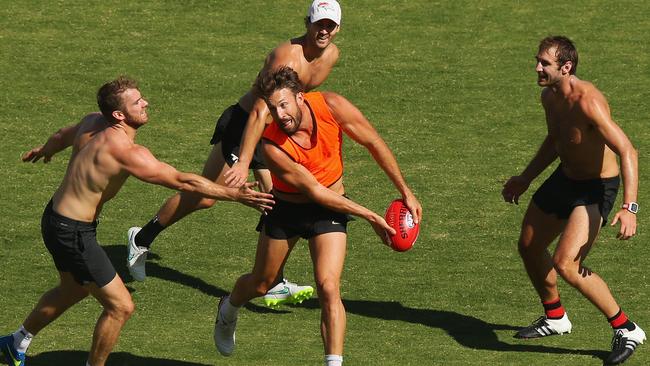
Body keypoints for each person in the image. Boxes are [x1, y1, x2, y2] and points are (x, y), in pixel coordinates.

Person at [0, 76, 274, 366]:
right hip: (74, 233)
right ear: (119, 115)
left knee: (72, 289)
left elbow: (59, 136)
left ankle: (16, 342)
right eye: (137, 102)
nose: (146, 103)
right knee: (120, 307)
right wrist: (234, 194)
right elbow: (184, 181)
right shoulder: (126, 152)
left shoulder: (91, 122)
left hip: (55, 219)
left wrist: (46, 150)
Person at [126, 0, 344, 307]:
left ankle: (141, 238)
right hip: (244, 128)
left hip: (271, 131)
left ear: (337, 28)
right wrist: (243, 161)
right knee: (275, 201)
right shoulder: (287, 57)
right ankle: (274, 280)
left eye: (329, 26)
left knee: (205, 196)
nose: (323, 31)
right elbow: (258, 111)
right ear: (307, 22)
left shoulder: (331, 55)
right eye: (318, 24)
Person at [213, 66, 423, 366]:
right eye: (273, 108)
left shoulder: (332, 106)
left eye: (284, 104)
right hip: (287, 210)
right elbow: (313, 191)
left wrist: (406, 191)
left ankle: (333, 363)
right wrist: (371, 216)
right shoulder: (272, 146)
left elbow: (372, 142)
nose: (280, 114)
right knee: (262, 283)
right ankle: (228, 309)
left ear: (301, 97)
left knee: (328, 286)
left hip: (330, 207)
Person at [502, 36, 645, 365]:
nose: (537, 67)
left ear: (566, 68)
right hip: (566, 178)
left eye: (544, 63)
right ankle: (555, 318)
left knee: (567, 264)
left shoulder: (588, 101)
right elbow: (557, 139)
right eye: (537, 60)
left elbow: (628, 151)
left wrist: (630, 207)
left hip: (596, 187)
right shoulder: (549, 97)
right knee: (529, 245)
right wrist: (526, 177)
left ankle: (627, 329)